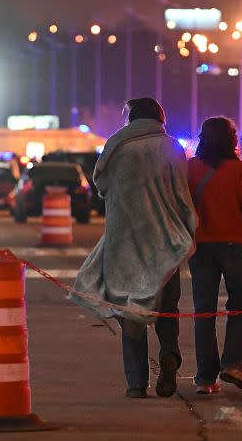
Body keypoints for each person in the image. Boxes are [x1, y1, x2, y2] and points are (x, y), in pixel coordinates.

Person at [72, 98, 197, 399]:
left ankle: (136, 384)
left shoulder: (116, 147)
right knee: (167, 310)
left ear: (131, 118)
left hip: (125, 244)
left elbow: (100, 187)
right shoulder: (172, 148)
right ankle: (169, 355)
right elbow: (182, 194)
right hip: (166, 242)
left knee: (130, 312)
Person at [188, 117, 242, 394]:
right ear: (232, 140)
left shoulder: (190, 169)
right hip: (234, 246)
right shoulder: (239, 170)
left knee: (203, 311)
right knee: (239, 304)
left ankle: (206, 379)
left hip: (201, 246)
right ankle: (233, 364)